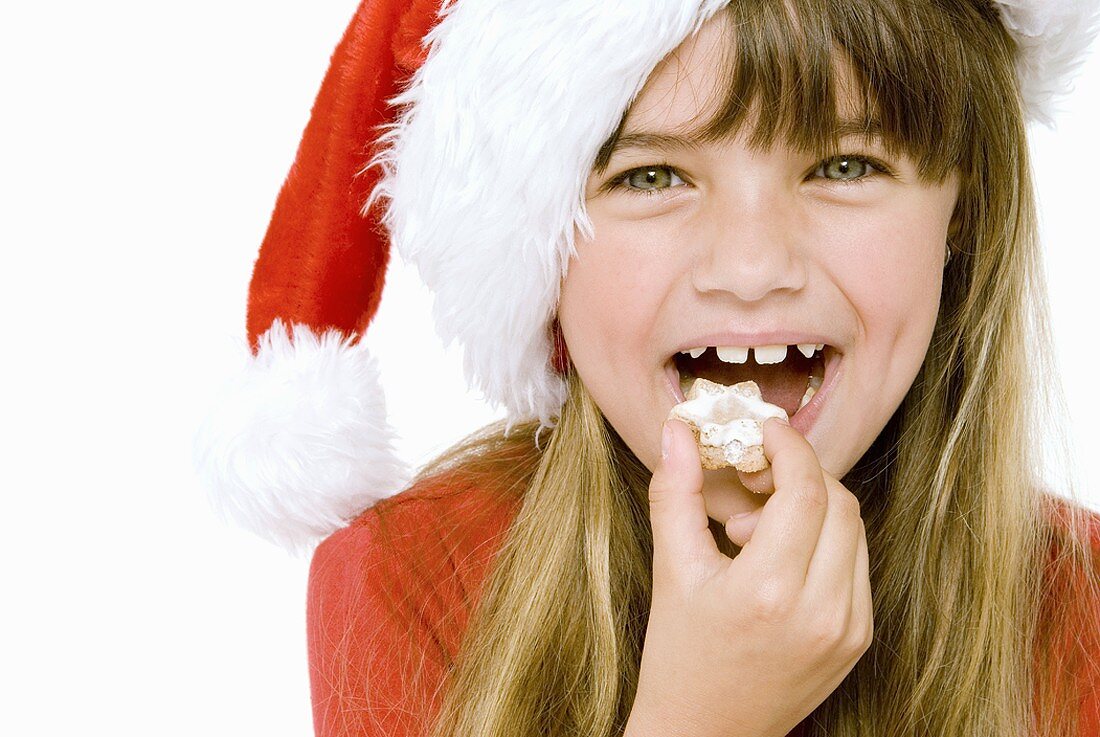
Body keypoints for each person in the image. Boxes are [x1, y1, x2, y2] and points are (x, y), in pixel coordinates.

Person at [192, 1, 1100, 735]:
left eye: (846, 163)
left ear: (963, 225)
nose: (750, 270)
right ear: (545, 260)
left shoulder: (1081, 608)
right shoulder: (406, 581)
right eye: (652, 177)